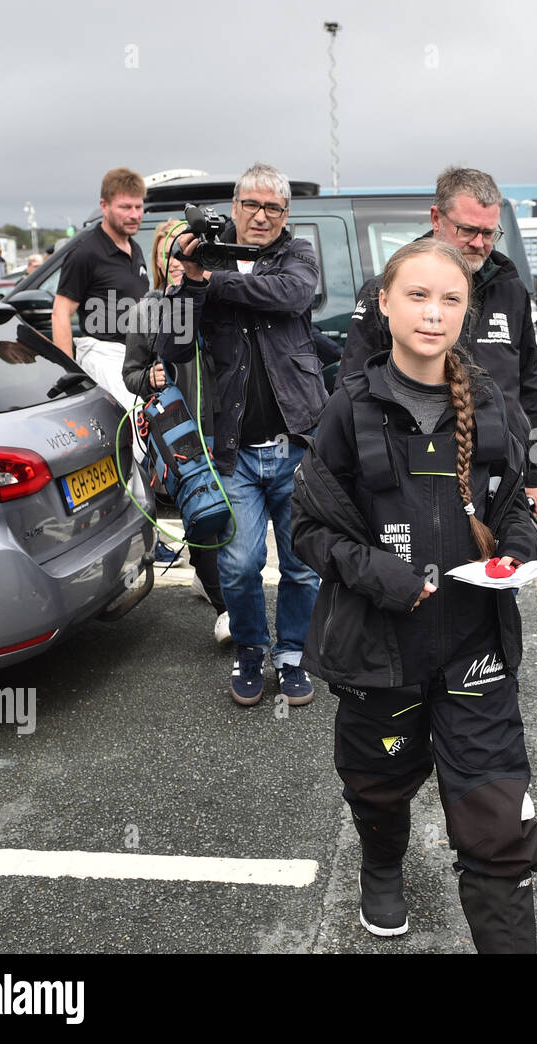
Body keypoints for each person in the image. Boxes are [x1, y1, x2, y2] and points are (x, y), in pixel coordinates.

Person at [291, 238, 537, 951]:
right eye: (418, 296)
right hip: (381, 654)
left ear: (467, 312)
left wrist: (519, 550)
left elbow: (515, 509)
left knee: (500, 828)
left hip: (475, 652)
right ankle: (382, 868)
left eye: (451, 300)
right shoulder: (347, 412)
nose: (434, 313)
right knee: (376, 786)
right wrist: (382, 576)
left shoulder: (493, 405)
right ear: (383, 303)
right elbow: (308, 527)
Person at [158, 162, 326, 708]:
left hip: (297, 443)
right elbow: (173, 349)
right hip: (232, 451)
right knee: (238, 562)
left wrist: (214, 277)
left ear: (284, 215)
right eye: (250, 205)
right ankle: (252, 648)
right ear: (234, 207)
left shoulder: (295, 255)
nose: (260, 215)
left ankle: (294, 654)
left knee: (302, 563)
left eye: (272, 208)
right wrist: (188, 282)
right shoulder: (202, 259)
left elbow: (291, 296)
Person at [335, 167, 537, 519]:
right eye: (467, 230)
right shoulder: (388, 291)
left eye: (489, 233)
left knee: (504, 567)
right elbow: (352, 386)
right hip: (413, 478)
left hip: (498, 475)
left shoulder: (512, 290)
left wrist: (533, 476)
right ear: (437, 218)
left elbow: (528, 389)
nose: (479, 243)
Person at [123, 219, 231, 646]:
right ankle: (225, 609)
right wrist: (146, 379)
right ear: (158, 259)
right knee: (202, 519)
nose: (178, 260)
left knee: (230, 519)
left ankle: (210, 582)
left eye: (188, 250)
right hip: (177, 436)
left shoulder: (214, 304)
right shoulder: (146, 310)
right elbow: (129, 374)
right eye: (171, 251)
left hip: (223, 427)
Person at [50, 169, 150, 423]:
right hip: (102, 356)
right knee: (136, 431)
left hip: (136, 360)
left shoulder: (134, 248)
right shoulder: (86, 252)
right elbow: (61, 312)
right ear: (104, 206)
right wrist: (69, 373)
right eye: (125, 207)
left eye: (139, 206)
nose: (135, 215)